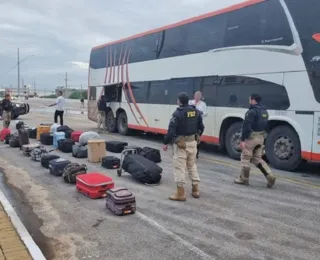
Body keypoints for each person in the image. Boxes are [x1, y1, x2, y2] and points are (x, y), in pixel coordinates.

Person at [163, 92, 204, 201]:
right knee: (192, 165)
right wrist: (198, 136)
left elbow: (171, 131)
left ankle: (180, 194)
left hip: (181, 144)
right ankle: (195, 190)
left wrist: (165, 142)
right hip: (193, 143)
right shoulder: (196, 112)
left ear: (179, 101)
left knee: (179, 167)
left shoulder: (177, 113)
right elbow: (201, 127)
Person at [234, 93, 276, 188]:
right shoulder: (264, 111)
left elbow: (247, 127)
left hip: (251, 138)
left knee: (245, 157)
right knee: (257, 159)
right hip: (260, 138)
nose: (249, 101)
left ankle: (244, 179)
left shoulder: (252, 112)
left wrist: (243, 140)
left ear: (253, 100)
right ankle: (270, 176)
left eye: (250, 99)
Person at [189, 91, 207, 158]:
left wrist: (200, 111)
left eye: (198, 96)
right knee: (190, 138)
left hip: (198, 124)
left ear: (200, 97)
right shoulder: (190, 102)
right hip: (191, 123)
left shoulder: (203, 104)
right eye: (196, 95)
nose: (197, 97)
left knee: (197, 139)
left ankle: (196, 153)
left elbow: (205, 113)